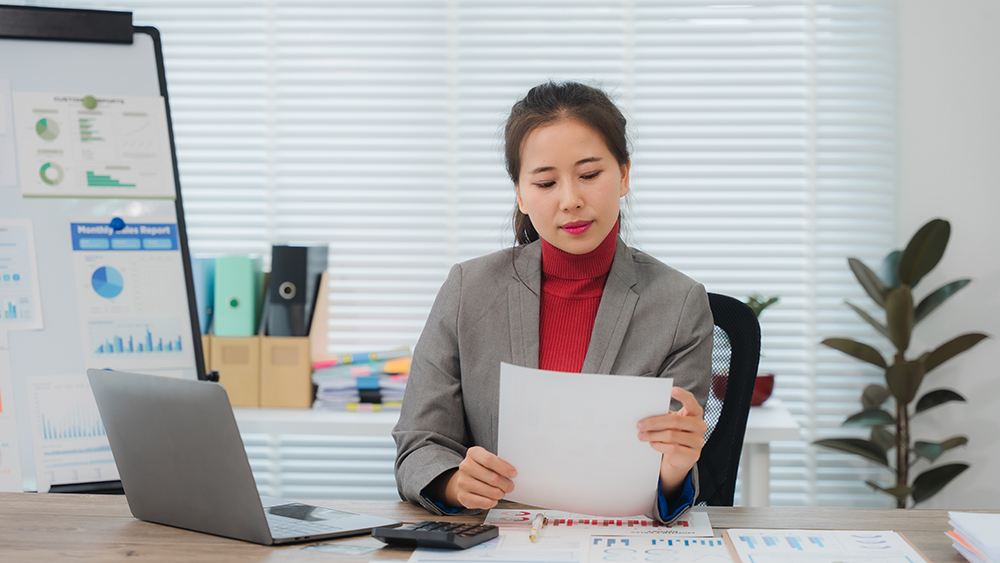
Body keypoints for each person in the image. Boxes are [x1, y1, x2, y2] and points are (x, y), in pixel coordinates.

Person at [392, 81, 713, 524]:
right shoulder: (469, 288)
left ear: (623, 175)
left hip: (617, 541)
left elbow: (669, 474)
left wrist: (675, 469)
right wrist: (453, 482)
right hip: (497, 539)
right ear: (521, 195)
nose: (571, 201)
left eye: (589, 174)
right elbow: (419, 441)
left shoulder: (679, 303)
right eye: (545, 182)